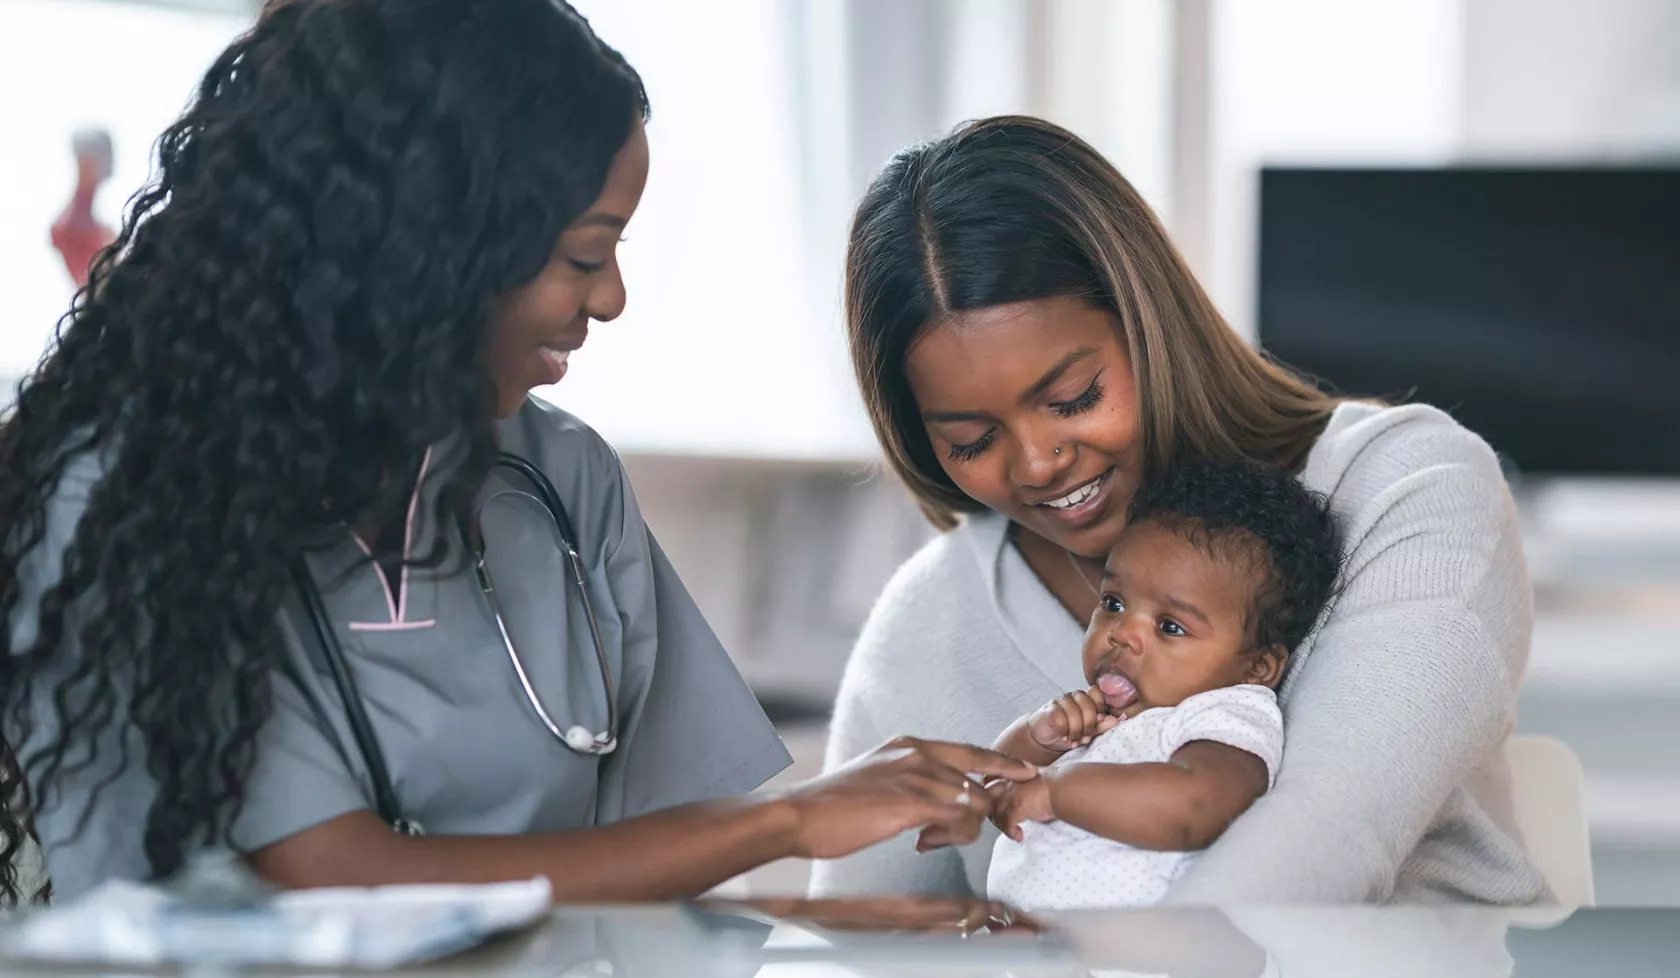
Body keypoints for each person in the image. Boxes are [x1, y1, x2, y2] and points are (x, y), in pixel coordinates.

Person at [0, 0, 1038, 907]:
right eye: (584, 254)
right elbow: (329, 879)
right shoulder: (125, 500)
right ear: (428, 244)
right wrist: (792, 823)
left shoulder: (562, 480)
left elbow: (660, 859)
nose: (613, 298)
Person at [812, 115, 1548, 904]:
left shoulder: (1406, 488)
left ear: (1149, 324)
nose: (1036, 464)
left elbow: (1325, 844)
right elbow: (847, 935)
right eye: (971, 439)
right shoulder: (931, 618)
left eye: (1072, 399)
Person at [979, 458, 1342, 910]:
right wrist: (1037, 736)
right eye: (1112, 602)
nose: (1121, 633)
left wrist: (1057, 792)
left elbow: (1192, 808)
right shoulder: (1104, 718)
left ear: (1258, 667)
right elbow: (995, 782)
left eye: (1170, 627)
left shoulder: (1224, 715)